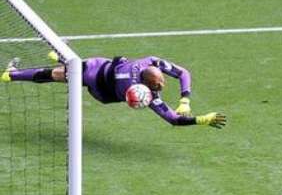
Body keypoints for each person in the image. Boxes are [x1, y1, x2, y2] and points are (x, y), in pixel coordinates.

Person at [2, 55, 226, 128]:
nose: (162, 86)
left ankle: (59, 58)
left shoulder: (151, 63)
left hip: (98, 67)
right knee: (55, 75)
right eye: (158, 85)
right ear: (147, 85)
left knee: (64, 69)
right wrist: (201, 120)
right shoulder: (142, 93)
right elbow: (173, 119)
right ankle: (11, 75)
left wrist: (184, 98)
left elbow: (183, 73)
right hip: (96, 84)